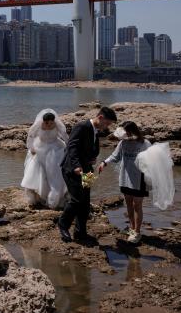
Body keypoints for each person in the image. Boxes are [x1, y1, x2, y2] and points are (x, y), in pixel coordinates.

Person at [57, 105, 117, 243]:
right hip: (73, 169)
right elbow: (71, 147)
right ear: (100, 117)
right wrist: (77, 166)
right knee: (77, 200)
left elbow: (91, 147)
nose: (107, 127)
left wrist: (93, 157)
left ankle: (80, 232)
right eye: (107, 123)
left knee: (85, 202)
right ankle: (63, 224)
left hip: (88, 169)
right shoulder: (82, 126)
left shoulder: (96, 130)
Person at [98, 121, 151, 245]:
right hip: (125, 178)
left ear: (133, 131)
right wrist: (104, 162)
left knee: (137, 205)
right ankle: (132, 228)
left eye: (127, 133)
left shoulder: (144, 143)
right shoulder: (123, 143)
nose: (124, 136)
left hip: (139, 179)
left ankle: (137, 232)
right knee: (128, 204)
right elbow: (115, 156)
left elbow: (152, 161)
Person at [20, 109, 68, 209]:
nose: (50, 124)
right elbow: (30, 136)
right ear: (44, 120)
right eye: (48, 122)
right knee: (38, 171)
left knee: (54, 172)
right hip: (40, 147)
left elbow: (64, 136)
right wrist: (31, 148)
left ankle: (55, 195)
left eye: (52, 122)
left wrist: (69, 146)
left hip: (55, 147)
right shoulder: (38, 125)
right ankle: (38, 196)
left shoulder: (57, 125)